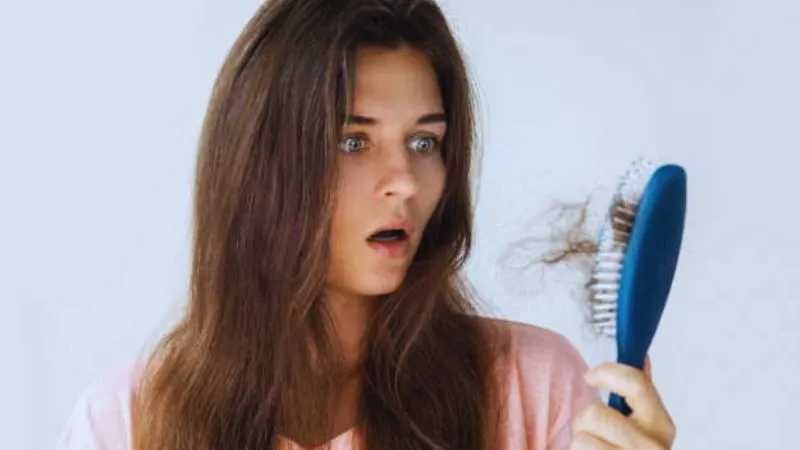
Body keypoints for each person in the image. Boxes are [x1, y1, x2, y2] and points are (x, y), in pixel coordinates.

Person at [56, 0, 676, 448]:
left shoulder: (531, 389)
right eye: (353, 142)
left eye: (424, 142)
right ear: (258, 167)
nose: (404, 180)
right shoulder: (125, 424)